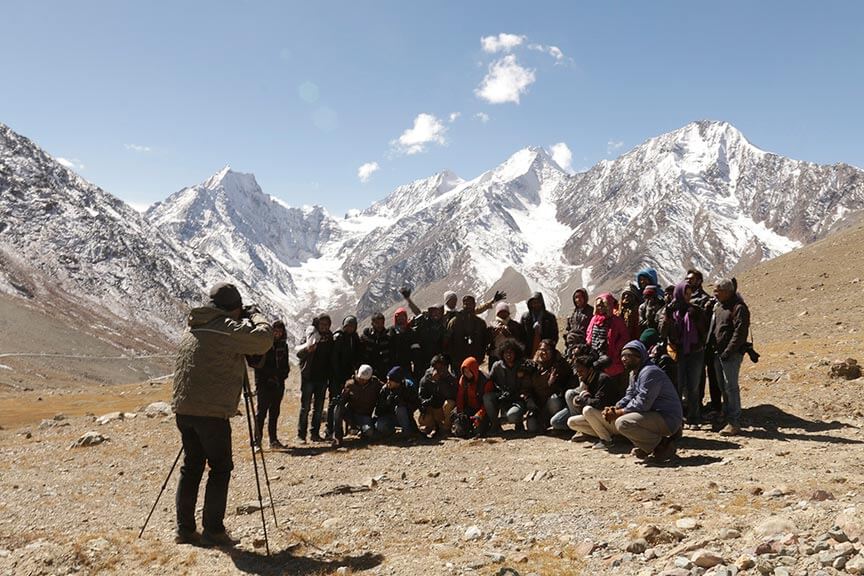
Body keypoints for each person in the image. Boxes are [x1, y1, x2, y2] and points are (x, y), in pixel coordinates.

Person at [171, 282, 272, 547]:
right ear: (233, 309)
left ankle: (184, 529)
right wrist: (256, 316)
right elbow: (262, 341)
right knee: (220, 467)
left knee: (192, 466)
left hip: (184, 410)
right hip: (211, 413)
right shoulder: (227, 328)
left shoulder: (194, 326)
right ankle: (213, 530)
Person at [603, 340, 683, 461]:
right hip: (652, 415)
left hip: (667, 417)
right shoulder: (634, 373)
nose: (624, 359)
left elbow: (643, 403)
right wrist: (615, 407)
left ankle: (663, 445)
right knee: (620, 419)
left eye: (628, 356)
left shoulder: (650, 372)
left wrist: (619, 413)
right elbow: (630, 395)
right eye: (622, 356)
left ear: (639, 357)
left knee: (623, 423)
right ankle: (647, 446)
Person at [659, 281, 708, 427]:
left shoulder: (696, 310)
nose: (688, 296)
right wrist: (667, 316)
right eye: (685, 293)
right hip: (678, 353)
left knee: (693, 386)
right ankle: (677, 418)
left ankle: (694, 417)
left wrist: (695, 319)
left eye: (689, 293)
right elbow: (662, 332)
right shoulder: (669, 311)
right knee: (677, 387)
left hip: (695, 352)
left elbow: (704, 331)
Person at [710, 278, 751, 436]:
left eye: (717, 290)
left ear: (727, 291)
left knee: (731, 387)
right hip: (718, 353)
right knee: (723, 387)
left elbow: (739, 333)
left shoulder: (739, 308)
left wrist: (729, 351)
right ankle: (726, 415)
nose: (714, 293)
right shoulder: (719, 307)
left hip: (730, 355)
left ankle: (734, 421)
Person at [562, 354, 627, 449]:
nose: (578, 374)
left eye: (581, 371)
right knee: (571, 422)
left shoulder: (603, 379)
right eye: (577, 371)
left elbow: (600, 403)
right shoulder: (587, 380)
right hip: (603, 420)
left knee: (587, 410)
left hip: (613, 419)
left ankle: (606, 441)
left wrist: (584, 400)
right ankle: (609, 436)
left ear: (590, 370)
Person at [687, 268, 722, 417]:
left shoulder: (704, 299)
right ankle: (698, 404)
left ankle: (716, 405)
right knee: (698, 376)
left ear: (699, 281)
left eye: (692, 279)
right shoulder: (686, 297)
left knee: (712, 375)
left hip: (707, 342)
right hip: (696, 343)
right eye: (687, 279)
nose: (689, 281)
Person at [251, 320, 290, 449]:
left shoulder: (283, 345)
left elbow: (285, 364)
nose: (277, 333)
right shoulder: (264, 344)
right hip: (263, 383)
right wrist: (268, 376)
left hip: (278, 383)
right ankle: (257, 441)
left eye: (280, 331)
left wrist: (281, 376)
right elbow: (257, 364)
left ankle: (273, 440)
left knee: (274, 412)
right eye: (275, 330)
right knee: (261, 413)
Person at [296, 314, 334, 442]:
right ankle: (301, 435)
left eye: (326, 325)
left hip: (323, 378)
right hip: (308, 377)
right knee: (305, 407)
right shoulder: (311, 335)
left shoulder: (330, 338)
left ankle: (315, 434)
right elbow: (299, 353)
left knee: (318, 408)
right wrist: (308, 349)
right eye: (322, 324)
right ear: (317, 324)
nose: (324, 327)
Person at [524, 339, 571, 433]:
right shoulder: (533, 365)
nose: (544, 352)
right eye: (541, 349)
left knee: (555, 400)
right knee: (532, 428)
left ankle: (556, 424)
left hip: (551, 403)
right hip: (537, 403)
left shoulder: (559, 365)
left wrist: (552, 384)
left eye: (547, 350)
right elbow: (528, 387)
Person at [586, 293, 629, 391]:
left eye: (603, 305)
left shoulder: (617, 321)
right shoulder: (594, 319)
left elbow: (624, 337)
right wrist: (589, 342)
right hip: (595, 354)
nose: (600, 308)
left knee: (610, 385)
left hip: (611, 359)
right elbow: (589, 332)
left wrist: (616, 349)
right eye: (599, 305)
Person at [327, 315, 361, 440]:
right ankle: (330, 429)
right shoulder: (338, 337)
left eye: (352, 326)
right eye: (348, 326)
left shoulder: (354, 337)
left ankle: (349, 428)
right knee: (335, 402)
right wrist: (338, 376)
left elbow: (357, 354)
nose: (350, 328)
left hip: (349, 375)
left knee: (349, 402)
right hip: (337, 376)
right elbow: (334, 359)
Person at [332, 364, 382, 447]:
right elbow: (343, 400)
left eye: (364, 380)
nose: (361, 381)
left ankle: (362, 432)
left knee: (369, 432)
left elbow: (385, 389)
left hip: (365, 416)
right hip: (351, 414)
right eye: (360, 378)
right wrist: (339, 400)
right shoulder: (350, 385)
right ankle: (337, 437)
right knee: (338, 409)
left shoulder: (375, 384)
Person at [484, 338, 528, 433]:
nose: (508, 355)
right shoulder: (497, 366)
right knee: (487, 398)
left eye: (511, 352)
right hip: (502, 397)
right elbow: (489, 380)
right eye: (506, 353)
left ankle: (518, 422)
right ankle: (495, 425)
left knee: (512, 416)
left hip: (517, 399)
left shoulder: (522, 365)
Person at [445, 295, 489, 373]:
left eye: (470, 304)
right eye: (465, 304)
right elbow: (448, 341)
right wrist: (453, 358)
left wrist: (480, 357)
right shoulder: (454, 322)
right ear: (462, 305)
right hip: (458, 362)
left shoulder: (480, 323)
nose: (468, 306)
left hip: (475, 361)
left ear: (474, 304)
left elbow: (485, 341)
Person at [417, 354, 458, 438]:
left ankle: (445, 428)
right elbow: (421, 396)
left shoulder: (451, 379)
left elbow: (452, 396)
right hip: (432, 408)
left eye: (441, 368)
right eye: (435, 368)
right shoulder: (426, 379)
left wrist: (439, 382)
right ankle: (433, 427)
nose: (438, 371)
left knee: (449, 404)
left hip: (443, 410)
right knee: (423, 420)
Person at [375, 366, 420, 437]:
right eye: (387, 379)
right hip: (389, 416)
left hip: (404, 416)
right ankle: (391, 432)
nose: (388, 382)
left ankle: (407, 432)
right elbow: (378, 410)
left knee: (400, 409)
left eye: (390, 380)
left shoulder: (407, 387)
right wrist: (387, 402)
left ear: (397, 382)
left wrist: (403, 404)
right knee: (380, 426)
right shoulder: (385, 389)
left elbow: (415, 403)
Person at [452, 356, 490, 438]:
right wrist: (460, 412)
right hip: (469, 409)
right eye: (465, 372)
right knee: (459, 431)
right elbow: (460, 397)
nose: (467, 374)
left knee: (478, 432)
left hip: (482, 411)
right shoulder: (463, 379)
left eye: (469, 371)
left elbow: (487, 403)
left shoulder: (486, 380)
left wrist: (479, 415)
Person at [487, 302, 526, 368]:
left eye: (504, 311)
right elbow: (485, 342)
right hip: (494, 356)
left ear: (508, 313)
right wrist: (494, 335)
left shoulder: (515, 325)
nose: (502, 314)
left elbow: (520, 341)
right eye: (500, 312)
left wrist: (508, 335)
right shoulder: (491, 326)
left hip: (511, 356)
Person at [520, 292, 559, 357]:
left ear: (542, 303)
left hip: (546, 349)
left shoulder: (549, 317)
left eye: (538, 302)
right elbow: (521, 334)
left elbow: (554, 334)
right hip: (528, 349)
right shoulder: (525, 317)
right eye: (533, 303)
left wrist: (549, 346)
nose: (536, 305)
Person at [389, 307, 420, 380]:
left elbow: (415, 348)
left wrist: (415, 362)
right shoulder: (391, 331)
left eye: (402, 317)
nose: (400, 319)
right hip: (393, 363)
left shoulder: (411, 331)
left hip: (407, 363)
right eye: (398, 317)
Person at [563, 288, 593, 361]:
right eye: (576, 297)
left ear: (585, 298)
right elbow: (569, 327)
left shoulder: (591, 311)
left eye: (580, 297)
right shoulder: (573, 312)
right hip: (572, 342)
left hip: (585, 343)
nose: (578, 299)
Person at [360, 312, 391, 380]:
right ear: (372, 323)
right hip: (368, 370)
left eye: (382, 323)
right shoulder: (366, 336)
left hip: (384, 369)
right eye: (377, 323)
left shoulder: (387, 336)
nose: (380, 325)